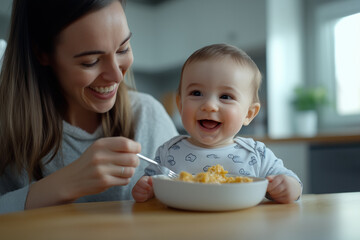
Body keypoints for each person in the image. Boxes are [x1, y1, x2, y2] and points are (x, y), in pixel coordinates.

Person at [0, 0, 178, 214]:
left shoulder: (148, 116)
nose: (115, 75)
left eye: (123, 49)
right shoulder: (7, 130)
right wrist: (64, 184)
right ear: (42, 54)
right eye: (91, 61)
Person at [132, 44, 302, 204]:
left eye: (226, 97)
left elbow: (294, 184)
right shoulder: (168, 152)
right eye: (196, 93)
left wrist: (287, 187)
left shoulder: (256, 155)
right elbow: (150, 185)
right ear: (181, 105)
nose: (209, 105)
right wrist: (144, 190)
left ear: (249, 114)